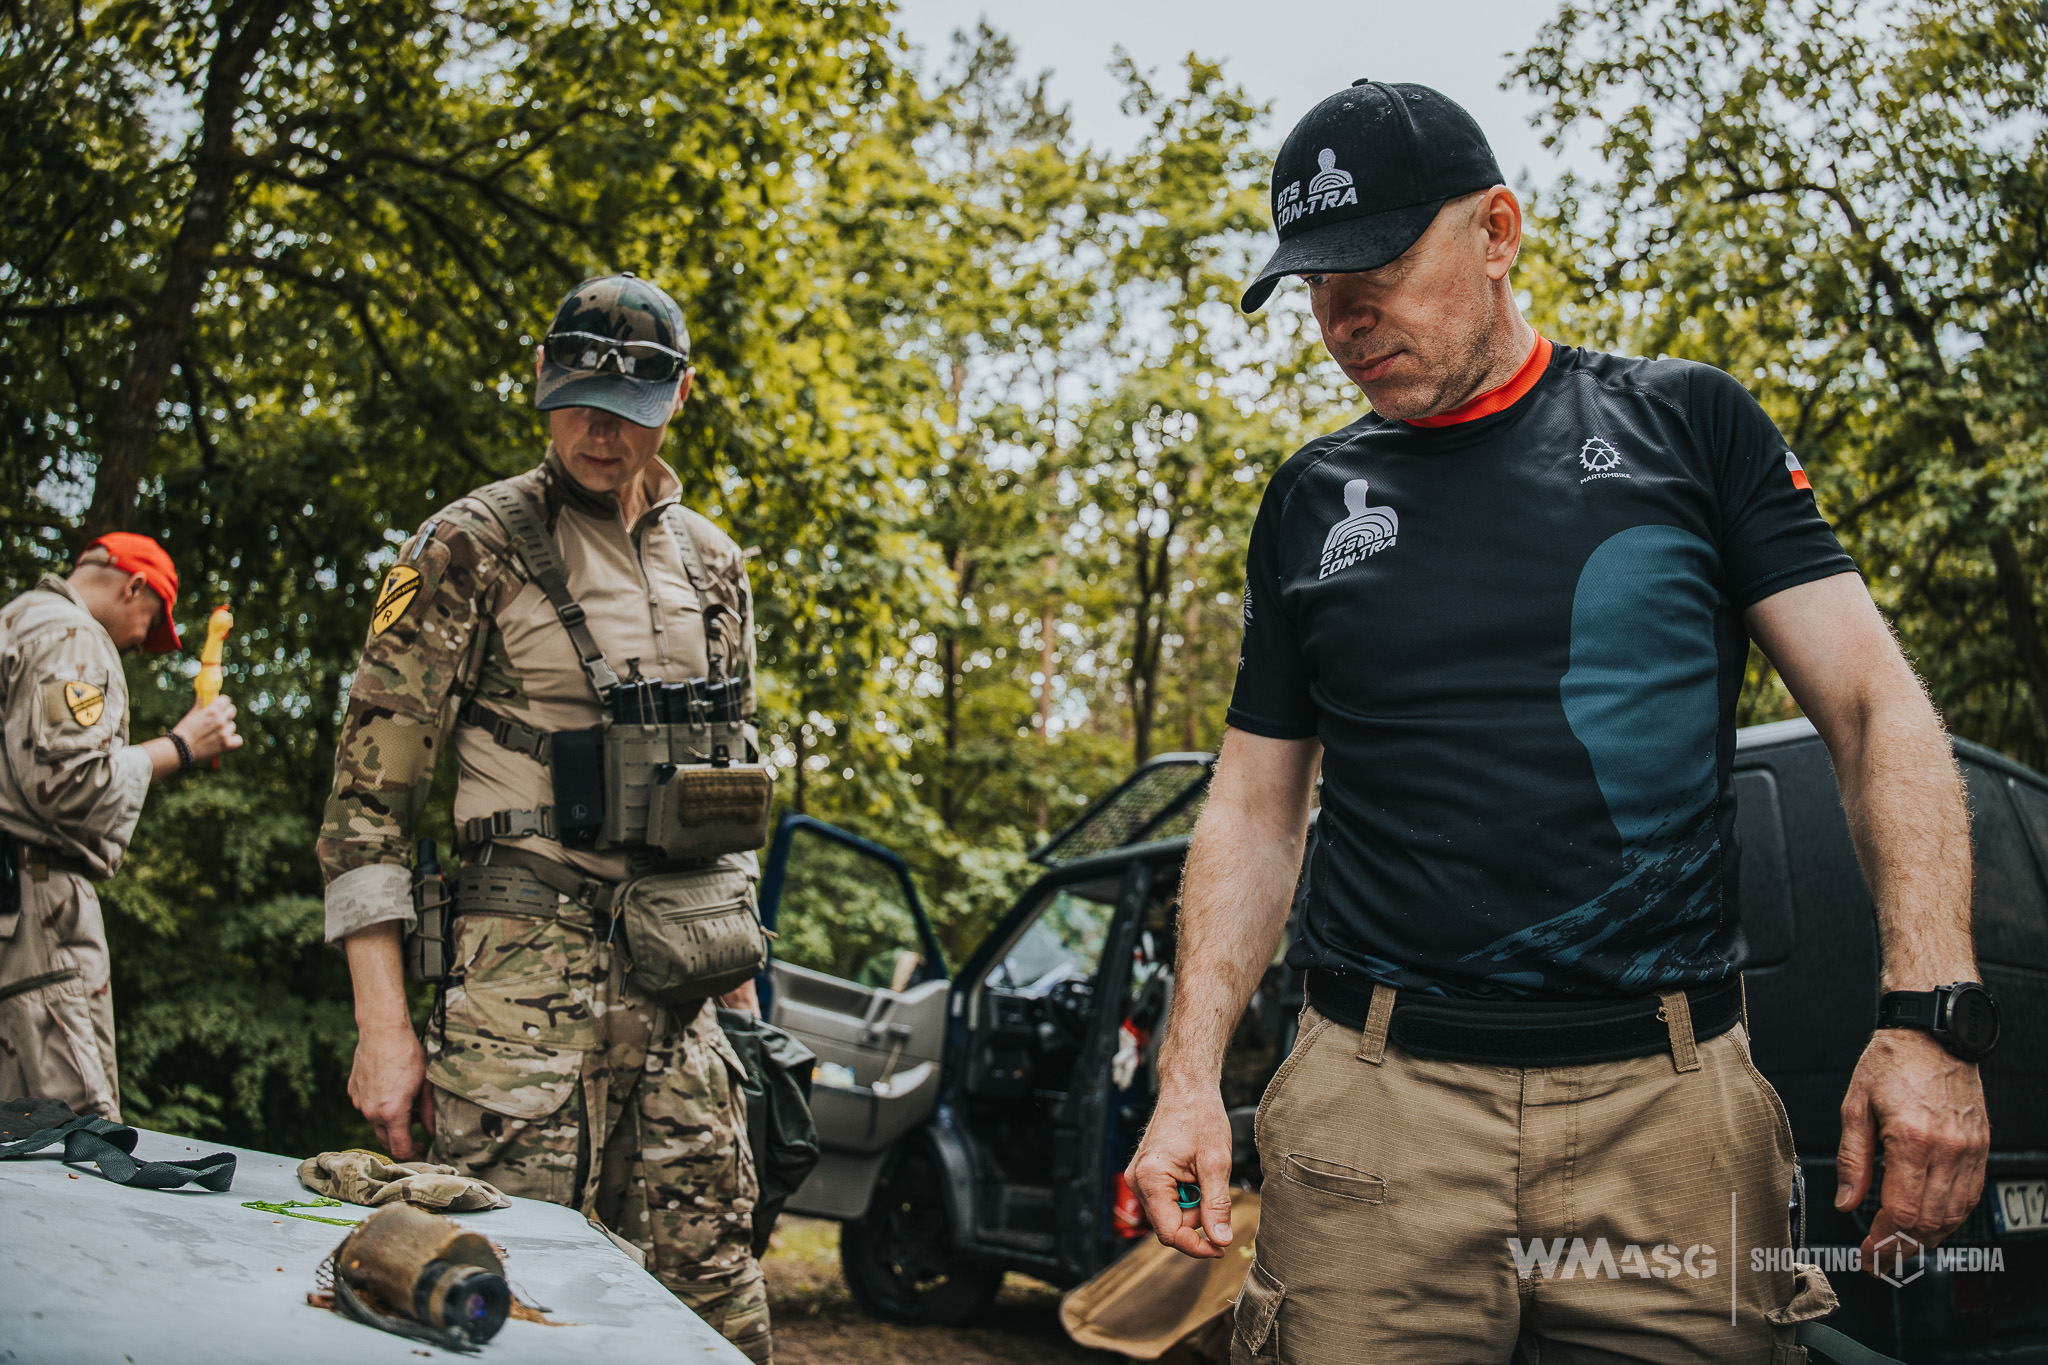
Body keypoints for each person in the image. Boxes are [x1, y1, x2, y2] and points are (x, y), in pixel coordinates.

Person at [1127, 82, 1992, 1364]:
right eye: (1309, 283)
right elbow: (1254, 807)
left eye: (1370, 265)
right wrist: (1189, 1073)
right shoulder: (1311, 501)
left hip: (1669, 1119)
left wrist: (1929, 1017)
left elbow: (1873, 711)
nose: (1337, 317)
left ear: (1496, 229)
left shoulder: (1688, 428)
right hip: (1376, 1119)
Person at [318, 273, 773, 1362]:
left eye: (627, 412)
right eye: (574, 400)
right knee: (502, 1311)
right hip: (517, 1004)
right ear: (538, 378)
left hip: (681, 1000)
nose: (596, 433)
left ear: (681, 398)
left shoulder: (713, 565)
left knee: (714, 1314)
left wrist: (740, 988)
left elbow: (726, 783)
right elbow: (366, 803)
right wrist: (383, 1029)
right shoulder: (465, 545)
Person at [0, 533, 241, 1117]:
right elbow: (68, 784)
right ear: (134, 586)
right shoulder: (71, 635)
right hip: (36, 910)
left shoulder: (14, 621)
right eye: (150, 622)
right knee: (69, 1131)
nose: (139, 643)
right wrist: (181, 746)